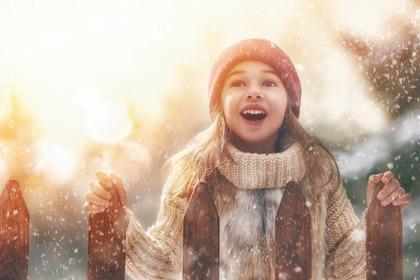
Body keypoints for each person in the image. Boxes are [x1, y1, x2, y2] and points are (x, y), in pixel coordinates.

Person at [83, 38, 412, 279]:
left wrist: (377, 220)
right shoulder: (193, 172)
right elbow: (165, 262)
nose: (253, 91)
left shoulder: (317, 170)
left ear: (288, 104)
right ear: (220, 105)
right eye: (238, 82)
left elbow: (342, 264)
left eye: (269, 82)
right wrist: (118, 223)